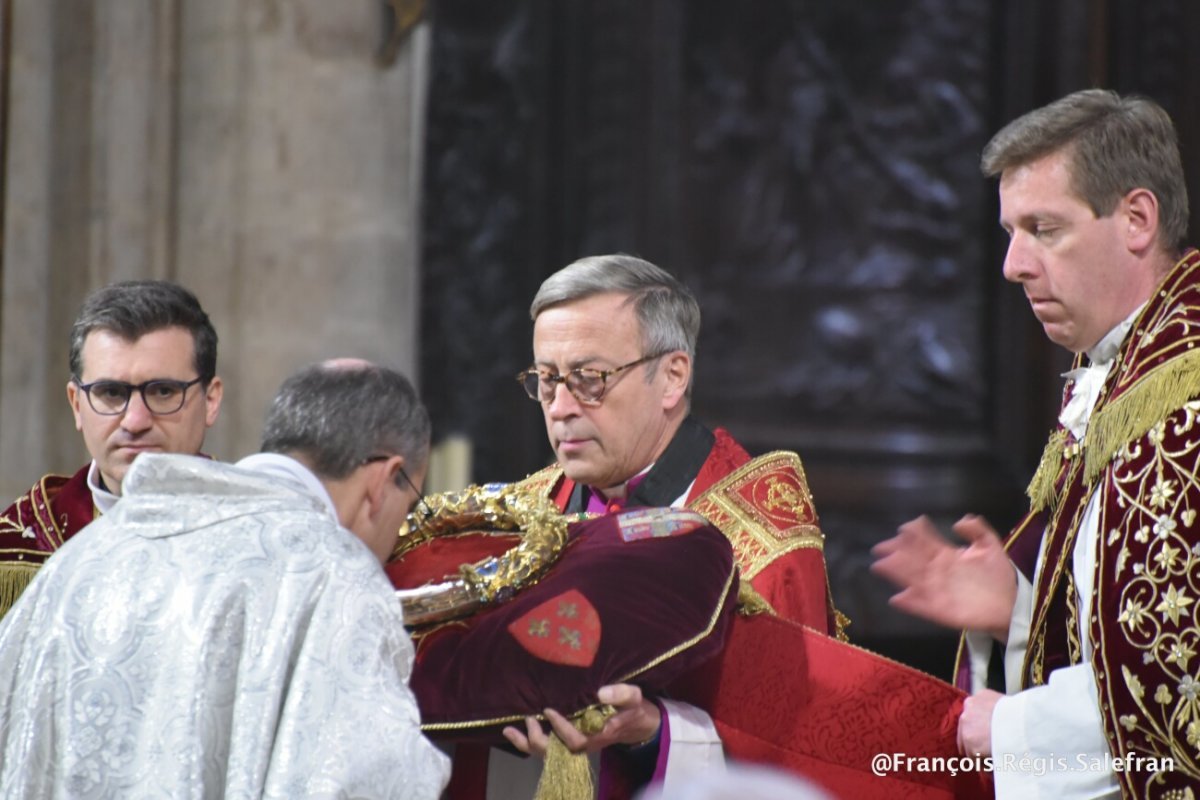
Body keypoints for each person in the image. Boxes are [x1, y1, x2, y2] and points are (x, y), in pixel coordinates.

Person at [871, 89, 1200, 798]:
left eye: (1043, 228)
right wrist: (1020, 611)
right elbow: (1129, 633)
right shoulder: (1121, 372)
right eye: (1011, 231)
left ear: (1137, 219)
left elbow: (1181, 683)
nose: (1014, 265)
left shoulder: (1186, 401)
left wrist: (1017, 731)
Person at [438, 255, 840, 798]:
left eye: (588, 379)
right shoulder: (527, 512)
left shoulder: (759, 530)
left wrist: (653, 731)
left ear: (672, 376)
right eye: (547, 380)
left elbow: (794, 748)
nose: (559, 408)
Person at [0, 359, 450, 798]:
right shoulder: (333, 576)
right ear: (384, 478)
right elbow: (370, 780)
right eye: (409, 503)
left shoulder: (84, 555)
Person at [0, 280, 223, 617]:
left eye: (163, 391)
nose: (135, 421)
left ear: (210, 400)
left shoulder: (260, 538)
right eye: (111, 393)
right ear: (77, 404)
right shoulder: (18, 550)